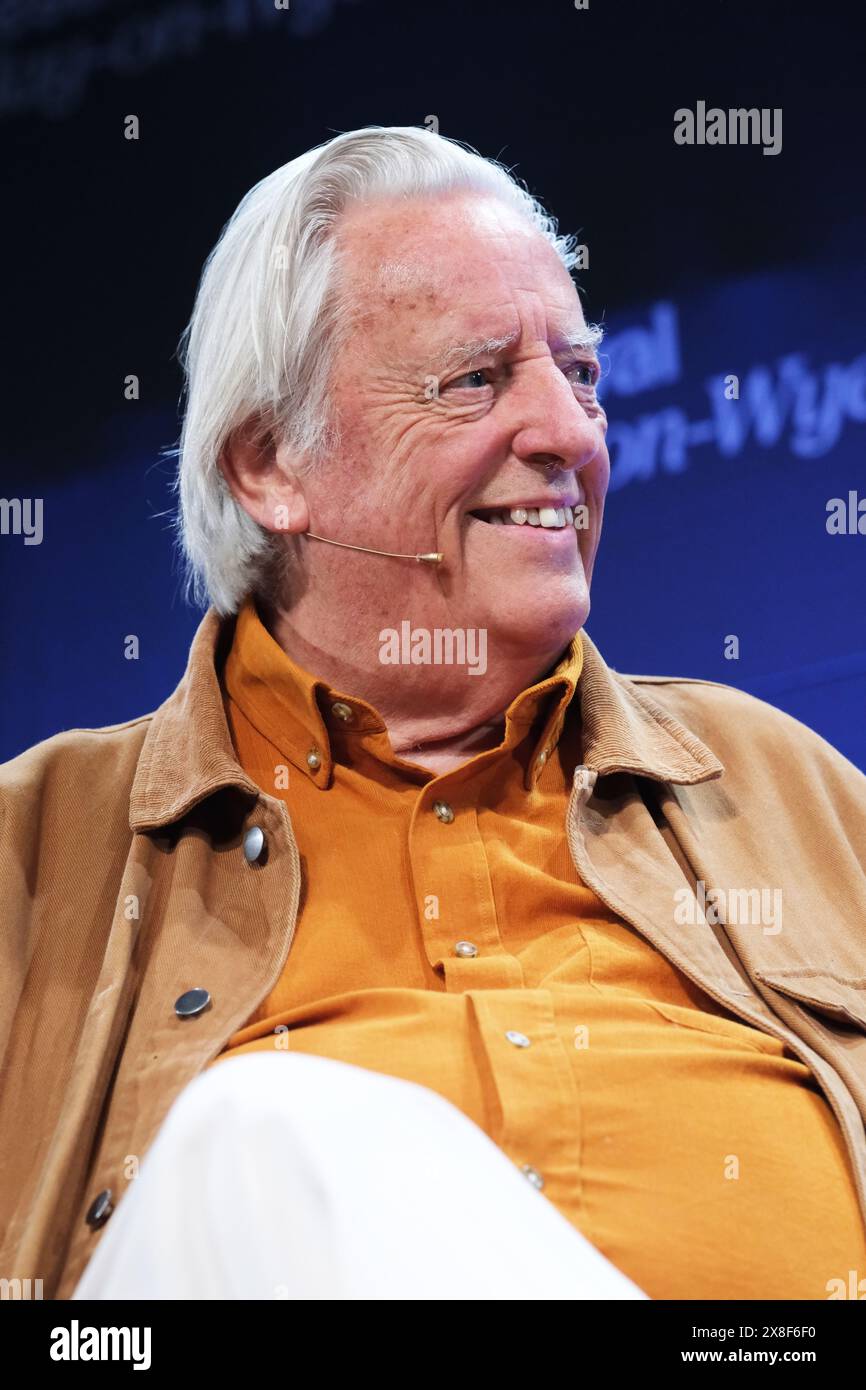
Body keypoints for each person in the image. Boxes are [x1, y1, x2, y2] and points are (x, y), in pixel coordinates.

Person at [3, 126, 866, 1302]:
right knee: (253, 1136)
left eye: (579, 374)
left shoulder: (790, 796)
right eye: (473, 379)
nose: (569, 436)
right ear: (268, 466)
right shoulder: (36, 860)